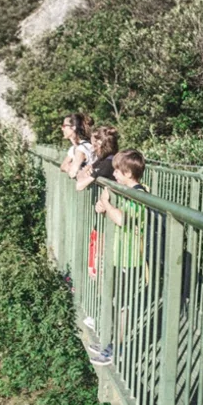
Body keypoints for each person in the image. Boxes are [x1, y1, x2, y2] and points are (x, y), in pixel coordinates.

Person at [89, 149, 149, 365]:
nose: (113, 174)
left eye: (117, 170)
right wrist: (102, 207)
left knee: (123, 305)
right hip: (118, 255)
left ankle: (118, 347)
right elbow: (110, 211)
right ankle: (109, 340)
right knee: (112, 300)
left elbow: (123, 219)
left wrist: (107, 204)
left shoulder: (139, 194)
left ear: (128, 173)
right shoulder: (123, 190)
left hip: (129, 259)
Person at [74, 126, 118, 192]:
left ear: (99, 145)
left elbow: (79, 186)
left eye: (94, 145)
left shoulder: (107, 163)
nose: (93, 148)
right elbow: (83, 172)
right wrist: (84, 173)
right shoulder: (103, 159)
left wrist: (86, 175)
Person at [59, 113, 94, 178]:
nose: (62, 129)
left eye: (64, 126)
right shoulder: (74, 148)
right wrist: (72, 167)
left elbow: (72, 174)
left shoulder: (82, 149)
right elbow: (62, 166)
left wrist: (70, 166)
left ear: (73, 127)